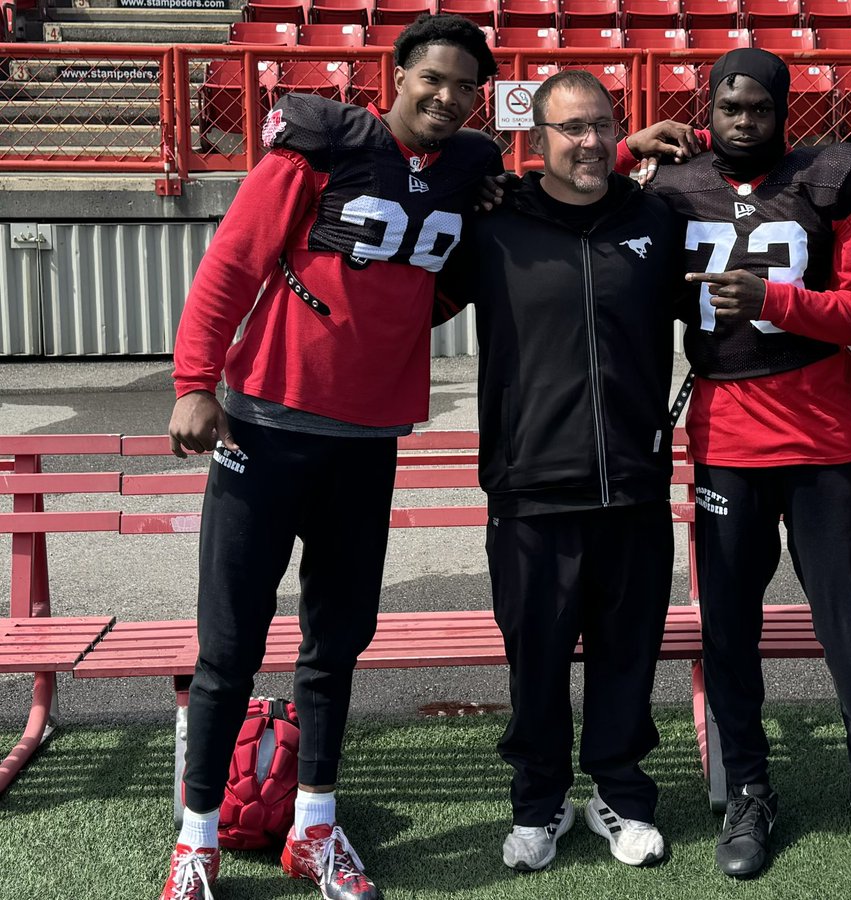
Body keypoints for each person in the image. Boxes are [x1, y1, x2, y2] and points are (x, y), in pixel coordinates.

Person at [161, 15, 501, 900]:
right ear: (396, 73)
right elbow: (233, 264)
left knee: (336, 642)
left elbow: (477, 250)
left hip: (366, 442)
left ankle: (315, 824)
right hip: (265, 428)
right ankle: (195, 838)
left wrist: (623, 156)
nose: (448, 96)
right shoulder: (322, 147)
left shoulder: (469, 171)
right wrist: (196, 379)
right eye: (434, 77)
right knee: (228, 642)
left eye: (466, 86)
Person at [618, 48, 851, 880]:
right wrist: (622, 150)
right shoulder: (671, 189)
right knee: (730, 629)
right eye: (729, 108)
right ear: (708, 110)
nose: (743, 121)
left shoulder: (832, 180)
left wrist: (775, 301)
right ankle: (752, 788)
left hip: (825, 439)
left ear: (783, 111)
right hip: (725, 442)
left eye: (759, 108)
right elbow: (573, 193)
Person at [434, 69, 685, 873]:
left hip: (635, 485)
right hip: (530, 489)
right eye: (571, 128)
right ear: (537, 141)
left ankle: (621, 797)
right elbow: (406, 291)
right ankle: (539, 804)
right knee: (535, 662)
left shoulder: (655, 218)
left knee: (627, 657)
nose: (589, 141)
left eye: (602, 126)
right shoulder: (494, 223)